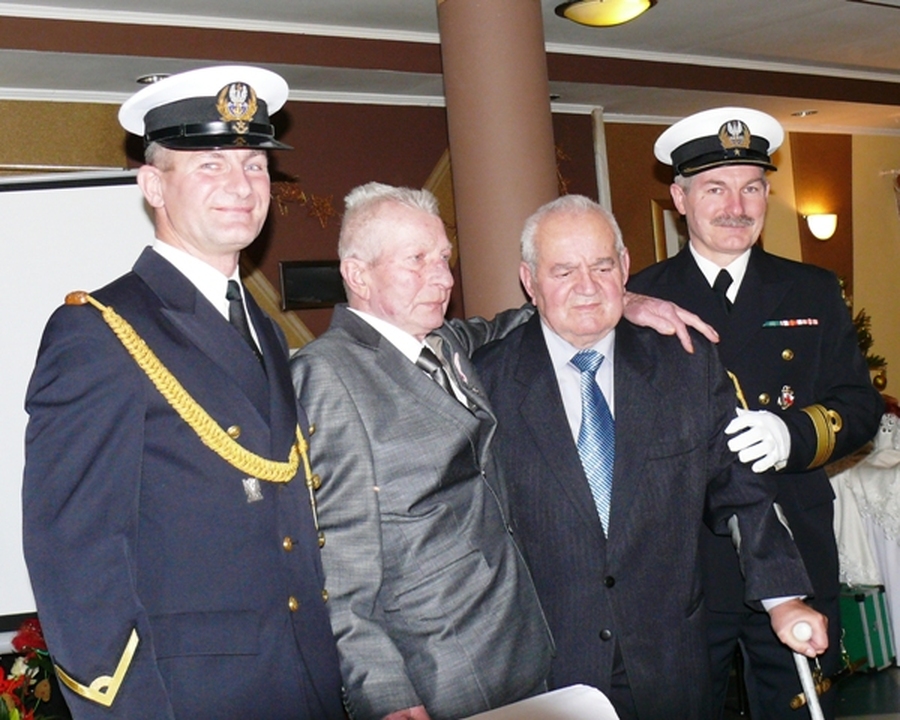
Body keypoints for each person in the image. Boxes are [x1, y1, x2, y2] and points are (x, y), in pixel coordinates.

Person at [290, 182, 716, 720]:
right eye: (417, 261)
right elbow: (335, 560)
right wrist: (386, 692)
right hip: (434, 672)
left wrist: (616, 297)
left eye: (443, 258)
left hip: (519, 653)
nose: (443, 279)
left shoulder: (441, 344)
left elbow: (528, 317)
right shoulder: (328, 374)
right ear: (357, 274)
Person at [22, 66, 345, 719]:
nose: (241, 186)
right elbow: (75, 561)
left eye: (255, 165)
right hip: (194, 697)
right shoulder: (100, 332)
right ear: (152, 186)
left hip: (303, 684)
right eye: (210, 165)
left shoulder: (261, 326)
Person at [472, 194, 828, 720]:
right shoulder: (486, 382)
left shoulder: (683, 365)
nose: (587, 287)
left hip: (670, 662)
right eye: (563, 271)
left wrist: (783, 599)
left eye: (601, 267)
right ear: (530, 280)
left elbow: (739, 489)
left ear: (624, 267)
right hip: (547, 668)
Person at [628, 107, 885, 720]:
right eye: (715, 189)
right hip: (685, 554)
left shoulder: (812, 288)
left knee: (799, 707)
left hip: (794, 538)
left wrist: (791, 435)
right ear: (680, 199)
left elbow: (860, 406)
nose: (736, 206)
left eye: (751, 187)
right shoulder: (641, 297)